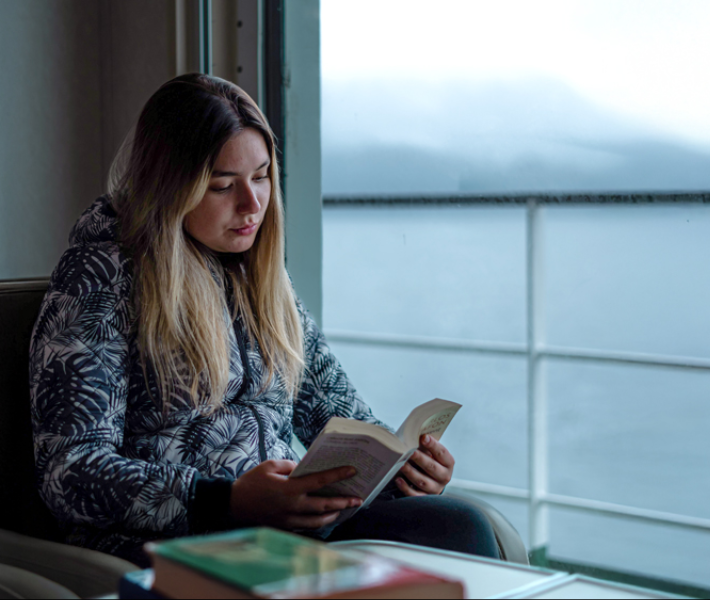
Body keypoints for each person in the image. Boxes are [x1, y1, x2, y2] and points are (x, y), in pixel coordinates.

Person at [29, 73, 500, 567]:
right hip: (177, 544)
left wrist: (404, 469)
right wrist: (225, 501)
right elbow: (71, 471)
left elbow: (341, 417)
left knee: (460, 527)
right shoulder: (100, 276)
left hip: (290, 530)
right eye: (221, 185)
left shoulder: (263, 278)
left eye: (260, 176)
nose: (253, 205)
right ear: (171, 187)